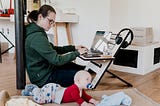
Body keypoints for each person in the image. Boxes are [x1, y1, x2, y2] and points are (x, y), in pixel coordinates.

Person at [25, 4, 88, 88]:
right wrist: (76, 53)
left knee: (78, 68)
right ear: (40, 17)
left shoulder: (37, 31)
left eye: (53, 22)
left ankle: (87, 70)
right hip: (44, 79)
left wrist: (74, 48)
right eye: (50, 21)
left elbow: (53, 49)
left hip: (46, 70)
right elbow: (57, 60)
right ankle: (87, 74)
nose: (52, 24)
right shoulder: (37, 37)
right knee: (82, 76)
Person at [22, 70, 99, 106]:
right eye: (87, 79)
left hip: (58, 90)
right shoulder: (74, 89)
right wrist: (86, 104)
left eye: (90, 80)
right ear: (78, 81)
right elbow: (78, 99)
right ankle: (34, 89)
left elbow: (85, 96)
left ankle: (29, 93)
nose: (90, 82)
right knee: (40, 99)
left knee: (42, 94)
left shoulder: (80, 89)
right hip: (53, 93)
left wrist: (94, 101)